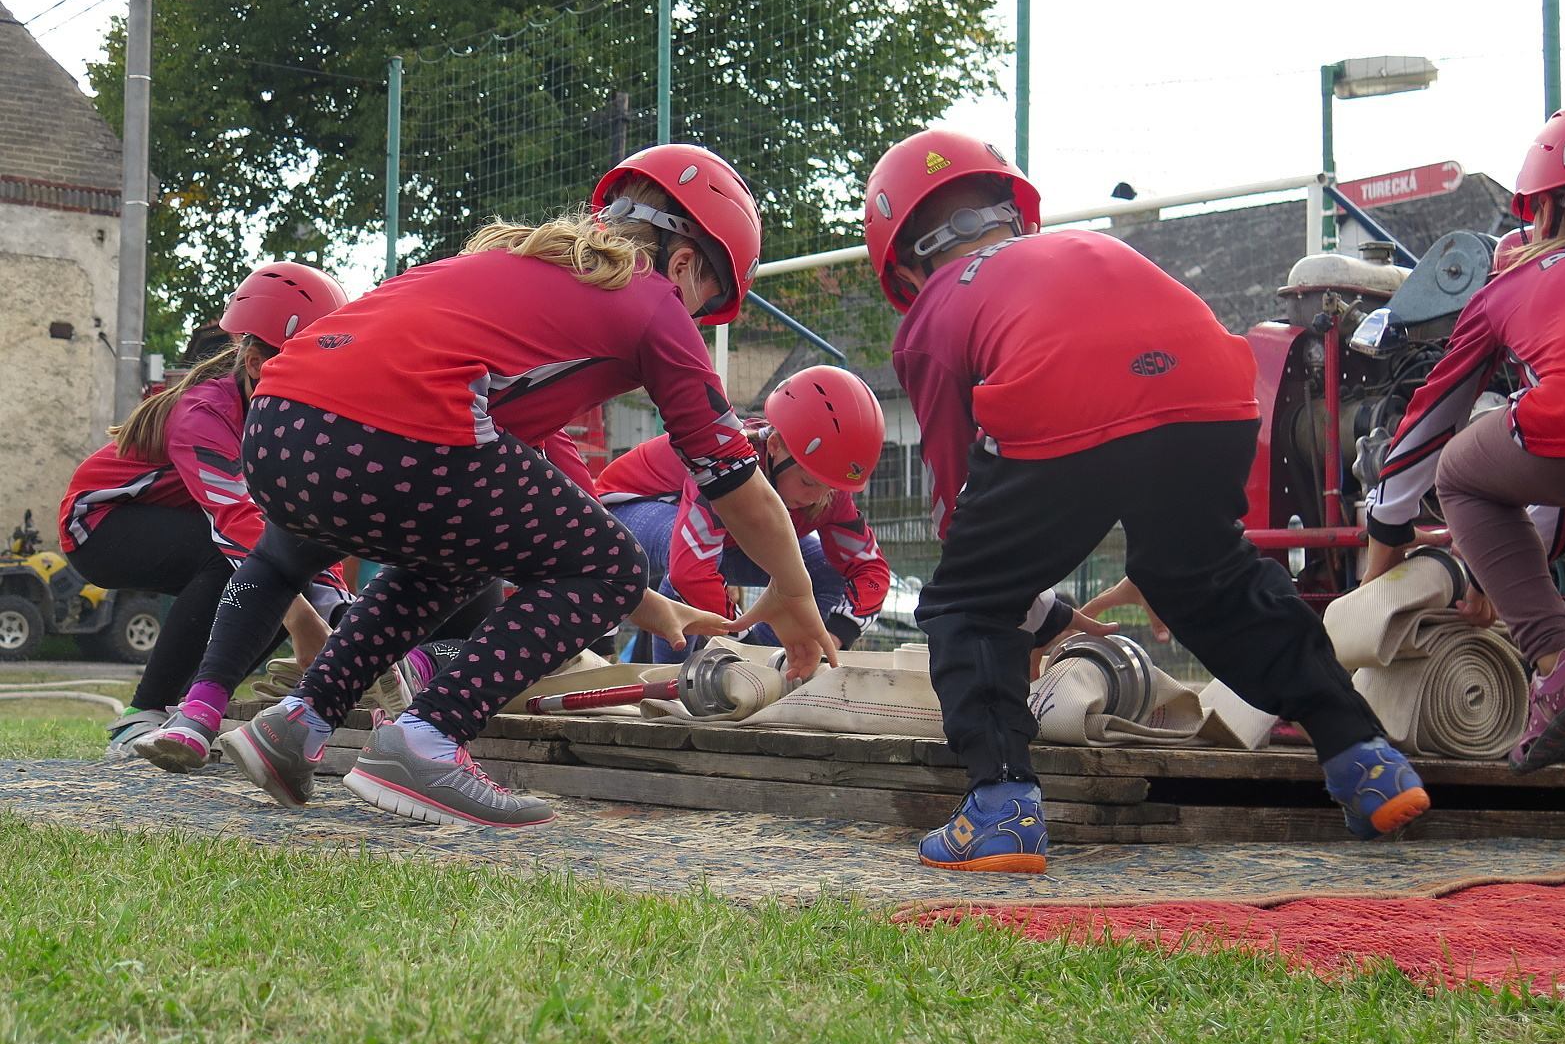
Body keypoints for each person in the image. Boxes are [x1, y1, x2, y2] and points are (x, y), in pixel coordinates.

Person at [208, 144, 836, 827]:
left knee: (463, 552)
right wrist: (794, 590)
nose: (694, 329)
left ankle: (298, 720)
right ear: (683, 265)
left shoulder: (515, 277)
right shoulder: (651, 300)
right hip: (388, 437)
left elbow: (546, 507)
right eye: (704, 308)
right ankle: (426, 738)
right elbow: (732, 477)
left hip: (276, 431)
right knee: (615, 560)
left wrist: (647, 603)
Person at [862, 129, 1430, 873]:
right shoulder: (1085, 248)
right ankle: (1363, 754)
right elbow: (1137, 387)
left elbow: (959, 503)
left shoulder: (934, 309)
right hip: (1218, 391)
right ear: (1016, 212)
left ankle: (1000, 807)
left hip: (1063, 391)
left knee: (966, 604)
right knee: (1207, 577)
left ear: (903, 267)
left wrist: (1010, 602)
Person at [1364, 97, 1565, 775]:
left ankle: (1560, 668)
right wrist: (1498, 568)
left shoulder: (1509, 283)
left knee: (1460, 470)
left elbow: (1427, 425)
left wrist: (1385, 540)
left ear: (1543, 209)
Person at [58, 263, 352, 758]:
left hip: (194, 523)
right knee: (244, 564)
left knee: (280, 575)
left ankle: (191, 710)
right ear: (257, 363)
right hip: (99, 523)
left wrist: (342, 617)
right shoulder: (205, 412)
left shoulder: (291, 425)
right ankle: (144, 713)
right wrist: (305, 622)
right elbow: (234, 522)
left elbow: (305, 534)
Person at [597, 364, 889, 661]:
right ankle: (671, 681)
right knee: (688, 562)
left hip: (723, 542)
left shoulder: (826, 492)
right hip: (622, 514)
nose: (817, 497)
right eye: (808, 482)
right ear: (774, 446)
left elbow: (871, 571)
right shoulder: (725, 458)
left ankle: (778, 663)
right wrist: (744, 642)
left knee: (822, 571)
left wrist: (833, 637)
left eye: (831, 488)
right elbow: (690, 573)